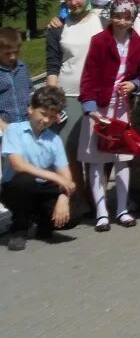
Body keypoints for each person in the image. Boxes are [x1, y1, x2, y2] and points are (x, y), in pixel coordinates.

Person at [78, 0, 140, 231]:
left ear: (133, 19)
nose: (122, 21)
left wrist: (134, 84)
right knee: (97, 161)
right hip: (99, 106)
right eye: (118, 16)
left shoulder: (138, 43)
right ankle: (101, 212)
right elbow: (88, 77)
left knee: (122, 159)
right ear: (111, 16)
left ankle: (122, 209)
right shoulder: (99, 41)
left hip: (121, 107)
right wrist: (90, 107)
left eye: (128, 17)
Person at [45, 0, 104, 213]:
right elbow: (52, 64)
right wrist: (53, 98)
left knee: (95, 150)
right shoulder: (59, 26)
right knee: (70, 151)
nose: (73, 1)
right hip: (68, 94)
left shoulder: (102, 20)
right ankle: (78, 198)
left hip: (97, 93)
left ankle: (96, 197)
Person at [0, 86, 76, 251]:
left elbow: (67, 178)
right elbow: (18, 165)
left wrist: (63, 200)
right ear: (30, 109)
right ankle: (20, 227)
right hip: (15, 187)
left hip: (41, 188)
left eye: (51, 116)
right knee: (25, 181)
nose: (46, 120)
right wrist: (56, 178)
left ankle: (43, 221)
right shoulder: (14, 130)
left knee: (75, 213)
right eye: (42, 114)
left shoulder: (54, 140)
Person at [0, 27, 31, 129]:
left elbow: (30, 91)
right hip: (4, 128)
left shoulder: (23, 68)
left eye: (16, 52)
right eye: (7, 53)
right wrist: (4, 127)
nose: (12, 57)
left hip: (26, 124)